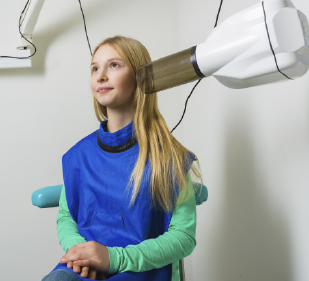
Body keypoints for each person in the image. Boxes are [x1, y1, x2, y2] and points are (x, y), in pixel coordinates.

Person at [42, 36, 202, 281]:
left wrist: (113, 258)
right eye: (95, 68)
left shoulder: (168, 157)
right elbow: (66, 217)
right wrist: (81, 254)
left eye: (114, 65)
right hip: (84, 269)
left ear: (141, 77)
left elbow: (183, 238)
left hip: (139, 269)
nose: (101, 75)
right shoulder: (78, 156)